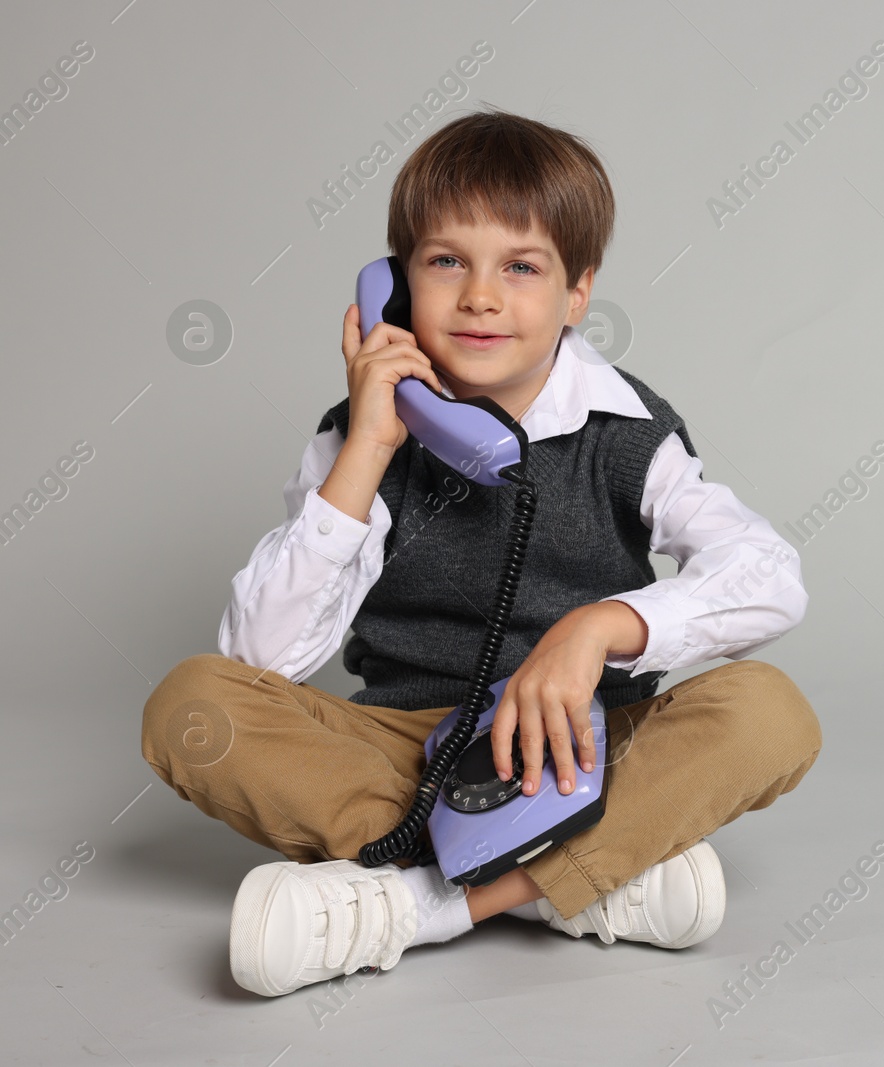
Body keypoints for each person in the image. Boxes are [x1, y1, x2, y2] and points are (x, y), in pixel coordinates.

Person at [141, 106, 822, 998]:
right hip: (407, 750)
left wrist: (598, 629)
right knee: (191, 706)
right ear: (391, 287)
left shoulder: (625, 429)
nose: (480, 297)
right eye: (446, 261)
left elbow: (770, 576)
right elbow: (262, 660)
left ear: (578, 293)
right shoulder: (358, 439)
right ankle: (585, 879)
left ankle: (417, 904)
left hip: (576, 751)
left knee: (768, 712)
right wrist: (371, 449)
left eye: (522, 267)